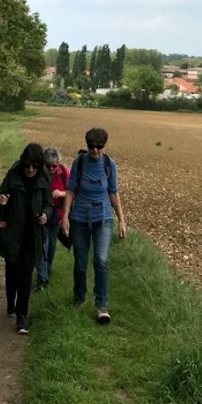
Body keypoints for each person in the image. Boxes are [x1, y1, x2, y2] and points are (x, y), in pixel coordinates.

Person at [61, 127, 126, 324]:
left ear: (104, 146)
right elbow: (70, 191)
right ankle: (79, 298)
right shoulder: (79, 162)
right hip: (80, 219)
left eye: (99, 147)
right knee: (80, 262)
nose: (95, 151)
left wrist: (121, 220)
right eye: (91, 147)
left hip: (103, 218)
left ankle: (101, 305)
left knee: (101, 260)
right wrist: (65, 217)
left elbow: (113, 193)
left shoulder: (109, 164)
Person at [0, 143, 53, 334]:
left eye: (34, 166)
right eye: (27, 165)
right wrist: (0, 200)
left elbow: (49, 204)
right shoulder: (14, 174)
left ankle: (22, 317)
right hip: (13, 231)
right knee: (12, 271)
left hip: (32, 234)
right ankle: (10, 302)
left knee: (26, 275)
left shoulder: (44, 178)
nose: (30, 170)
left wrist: (46, 215)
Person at [35, 146, 70, 292]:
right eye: (48, 165)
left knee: (52, 245)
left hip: (57, 215)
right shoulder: (38, 174)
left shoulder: (64, 173)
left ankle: (48, 268)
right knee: (43, 245)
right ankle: (42, 278)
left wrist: (61, 194)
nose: (51, 169)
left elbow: (72, 193)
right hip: (42, 214)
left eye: (54, 166)